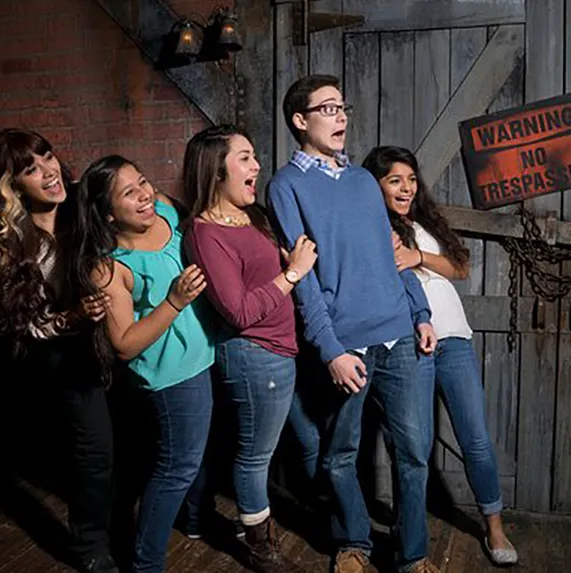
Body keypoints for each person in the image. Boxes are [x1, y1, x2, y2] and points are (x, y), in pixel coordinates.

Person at [267, 74, 441, 573]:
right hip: (348, 346)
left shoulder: (365, 181)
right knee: (341, 453)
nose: (341, 116)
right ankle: (353, 544)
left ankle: (412, 557)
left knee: (413, 454)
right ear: (300, 121)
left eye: (343, 107)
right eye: (328, 108)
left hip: (400, 336)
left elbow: (393, 256)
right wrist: (330, 348)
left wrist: (420, 313)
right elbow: (301, 276)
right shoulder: (287, 186)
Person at [364, 145, 519, 566]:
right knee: (412, 445)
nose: (406, 187)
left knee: (476, 439)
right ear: (373, 185)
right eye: (395, 180)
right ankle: (408, 538)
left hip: (452, 337)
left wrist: (418, 256)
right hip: (407, 342)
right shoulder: (369, 223)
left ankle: (494, 527)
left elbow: (460, 266)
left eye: (411, 179)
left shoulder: (424, 219)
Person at [0, 128, 117, 573]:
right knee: (96, 449)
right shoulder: (13, 240)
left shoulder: (82, 199)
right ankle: (90, 546)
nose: (49, 172)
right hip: (61, 345)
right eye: (30, 170)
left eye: (49, 157)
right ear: (12, 185)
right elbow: (28, 327)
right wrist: (74, 316)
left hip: (115, 330)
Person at [183, 124, 314, 572]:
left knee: (271, 449)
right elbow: (237, 312)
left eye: (254, 156)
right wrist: (292, 273)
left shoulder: (252, 215)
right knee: (254, 456)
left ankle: (234, 522)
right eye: (244, 157)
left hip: (282, 350)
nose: (256, 165)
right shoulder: (204, 233)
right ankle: (260, 547)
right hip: (254, 354)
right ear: (215, 171)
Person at [77, 155, 214, 573]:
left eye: (144, 181)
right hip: (173, 376)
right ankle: (146, 564)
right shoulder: (110, 266)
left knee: (197, 456)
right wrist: (174, 301)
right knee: (176, 467)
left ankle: (194, 522)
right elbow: (123, 344)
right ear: (106, 212)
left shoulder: (168, 211)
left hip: (205, 354)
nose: (145, 195)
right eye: (129, 192)